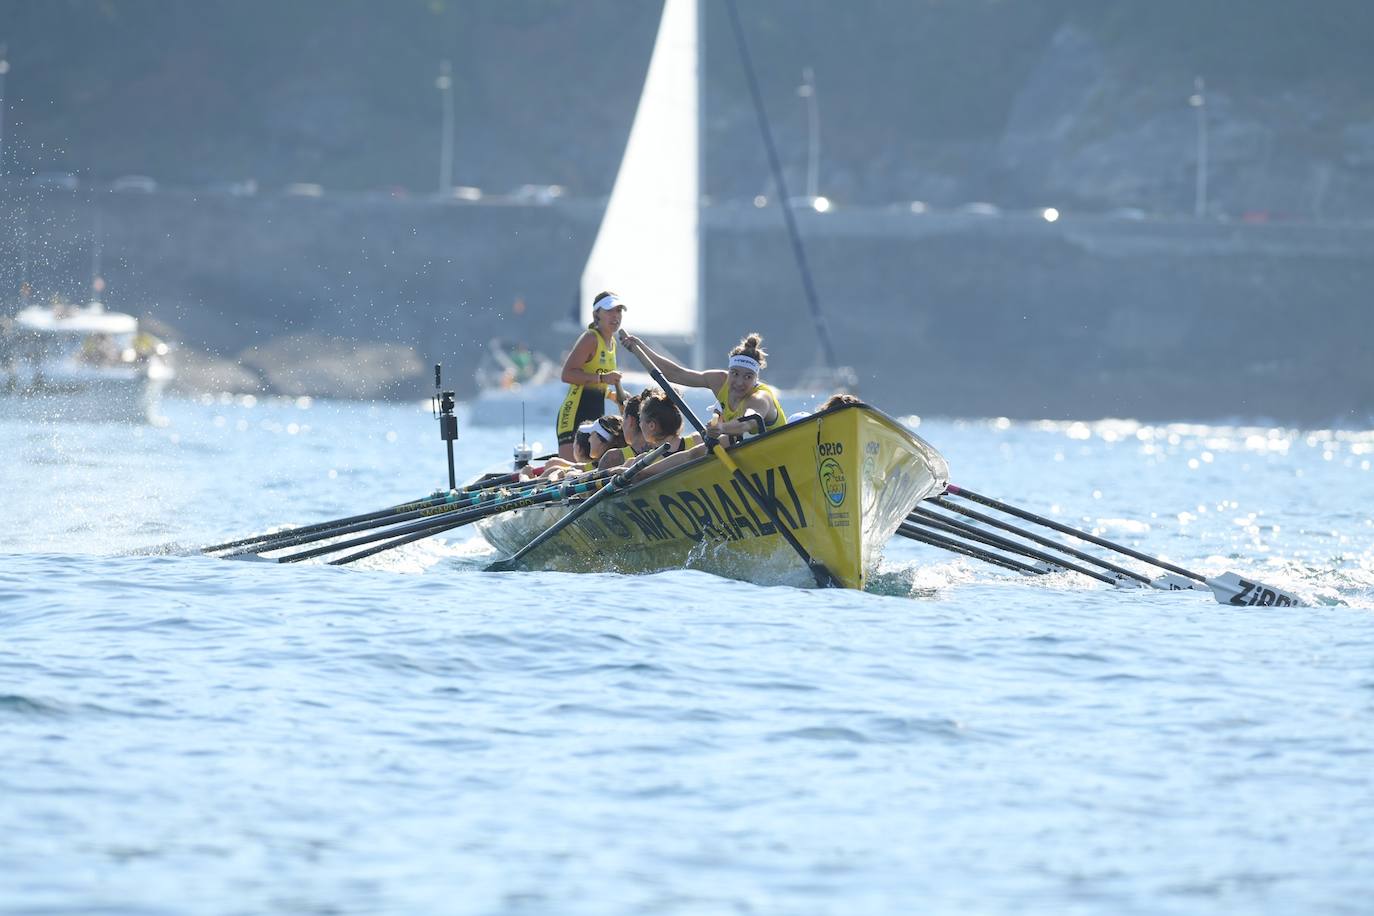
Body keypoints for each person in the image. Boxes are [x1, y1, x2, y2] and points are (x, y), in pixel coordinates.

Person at [618, 331, 786, 442]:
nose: (740, 382)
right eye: (735, 374)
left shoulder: (760, 398)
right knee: (697, 450)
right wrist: (640, 348)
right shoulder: (719, 380)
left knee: (703, 449)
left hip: (776, 453)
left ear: (756, 378)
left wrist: (721, 428)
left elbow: (747, 423)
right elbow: (674, 374)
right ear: (728, 371)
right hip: (749, 453)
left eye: (748, 377)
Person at [555, 291, 625, 459]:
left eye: (618, 310)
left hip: (595, 414)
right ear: (596, 315)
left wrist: (611, 395)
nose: (615, 316)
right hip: (574, 414)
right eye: (609, 311)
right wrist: (603, 378)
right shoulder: (590, 338)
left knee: (590, 467)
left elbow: (596, 380)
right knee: (572, 468)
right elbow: (567, 375)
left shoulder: (613, 343)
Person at [598, 390, 651, 470]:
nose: (622, 425)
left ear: (630, 420)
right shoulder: (663, 451)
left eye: (623, 419)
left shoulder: (612, 458)